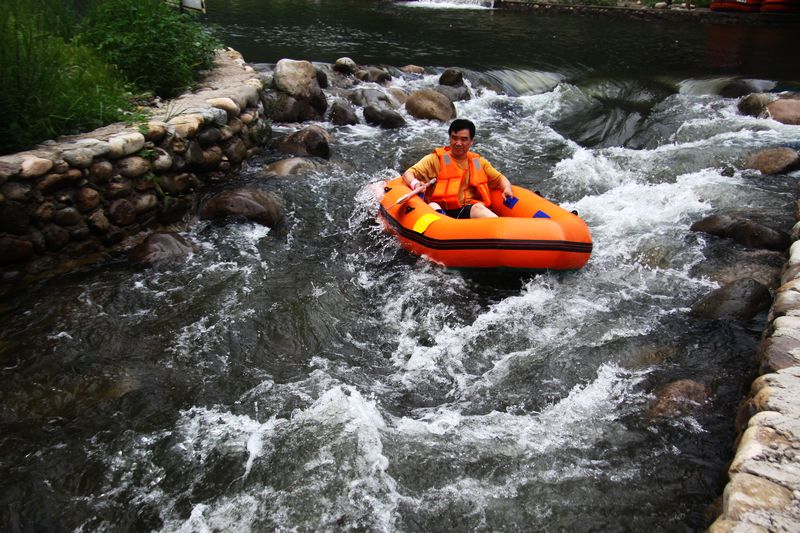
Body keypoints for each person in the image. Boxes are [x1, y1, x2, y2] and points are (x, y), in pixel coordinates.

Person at [401, 119, 514, 219]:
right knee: (433, 206)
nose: (458, 143)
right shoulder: (434, 159)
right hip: (439, 210)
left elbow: (500, 178)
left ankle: (501, 231)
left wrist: (507, 188)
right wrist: (415, 184)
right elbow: (408, 174)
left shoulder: (478, 162)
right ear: (450, 138)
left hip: (464, 210)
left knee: (479, 208)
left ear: (471, 141)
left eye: (464, 139)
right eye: (455, 138)